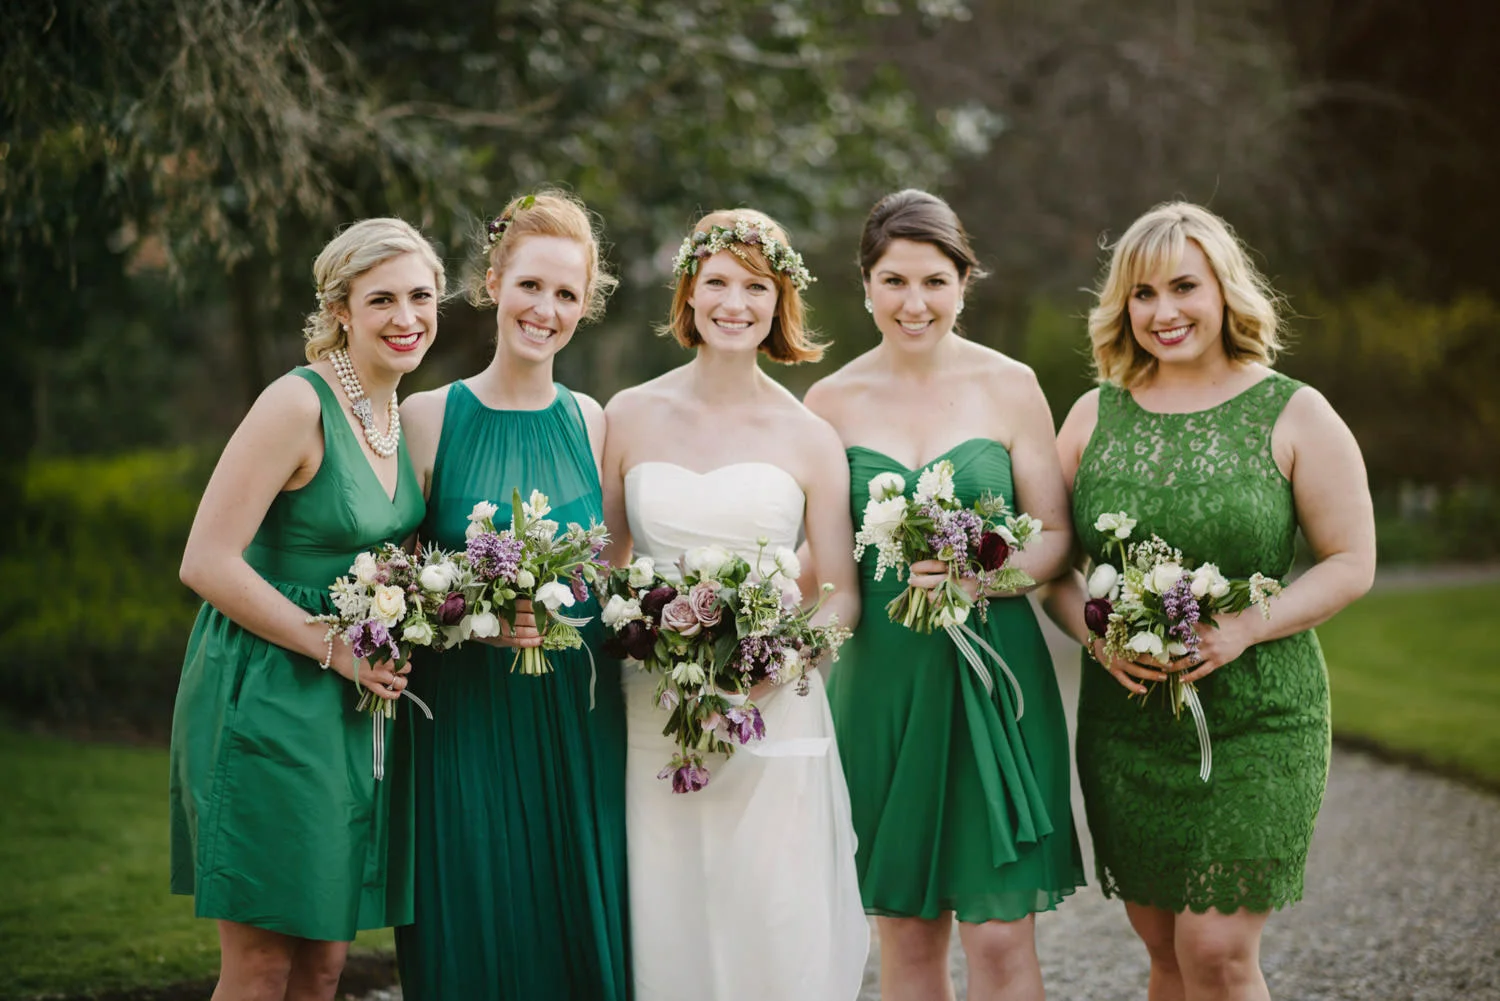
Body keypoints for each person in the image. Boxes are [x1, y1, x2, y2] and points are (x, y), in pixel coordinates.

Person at [1040, 201, 1376, 1001]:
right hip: (1130, 720)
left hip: (1261, 713)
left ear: (1225, 290)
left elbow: (1353, 560)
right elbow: (1052, 565)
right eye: (1143, 294)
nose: (1164, 312)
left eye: (1183, 287)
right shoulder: (1093, 413)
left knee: (1217, 948)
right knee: (1165, 953)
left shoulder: (1295, 411)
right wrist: (1094, 635)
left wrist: (1245, 627)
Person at [804, 188, 1084, 1001]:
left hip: (998, 683)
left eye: (933, 280)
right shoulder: (830, 402)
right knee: (907, 935)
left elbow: (1057, 536)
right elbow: (823, 564)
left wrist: (981, 575)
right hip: (884, 685)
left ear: (965, 281)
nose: (913, 302)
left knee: (999, 939)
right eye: (893, 281)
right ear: (865, 286)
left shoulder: (1012, 385)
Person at [600, 209, 869, 1001]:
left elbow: (840, 591)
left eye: (756, 286)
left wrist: (776, 660)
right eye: (717, 281)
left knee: (770, 907)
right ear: (689, 292)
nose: (735, 302)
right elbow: (608, 562)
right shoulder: (627, 413)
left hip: (769, 705)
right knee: (666, 900)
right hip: (653, 706)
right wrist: (644, 631)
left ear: (780, 300)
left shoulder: (809, 434)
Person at [170, 218, 442, 1000]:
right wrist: (337, 648)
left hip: (351, 711)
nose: (406, 317)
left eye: (421, 296)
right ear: (341, 309)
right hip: (267, 694)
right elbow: (206, 560)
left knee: (324, 965)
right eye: (382, 299)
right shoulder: (296, 403)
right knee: (261, 965)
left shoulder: (399, 414)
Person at [393, 190, 629, 1000]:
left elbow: (610, 569)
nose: (546, 308)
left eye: (567, 294)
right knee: (476, 919)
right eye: (531, 284)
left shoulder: (593, 421)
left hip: (574, 718)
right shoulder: (429, 416)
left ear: (583, 309)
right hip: (464, 717)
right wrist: (468, 617)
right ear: (492, 281)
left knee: (572, 927)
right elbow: (391, 587)